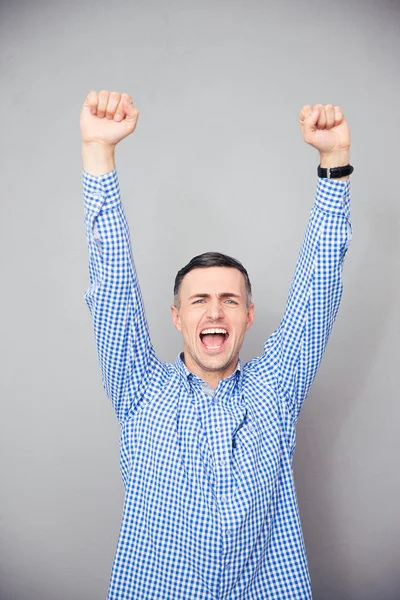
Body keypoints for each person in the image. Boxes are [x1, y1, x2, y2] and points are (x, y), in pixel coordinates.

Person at [80, 90, 353, 600]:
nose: (213, 312)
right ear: (177, 317)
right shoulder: (139, 390)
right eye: (199, 300)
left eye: (229, 300)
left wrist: (333, 164)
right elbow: (112, 289)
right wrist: (99, 154)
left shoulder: (277, 387)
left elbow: (320, 286)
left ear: (249, 317)